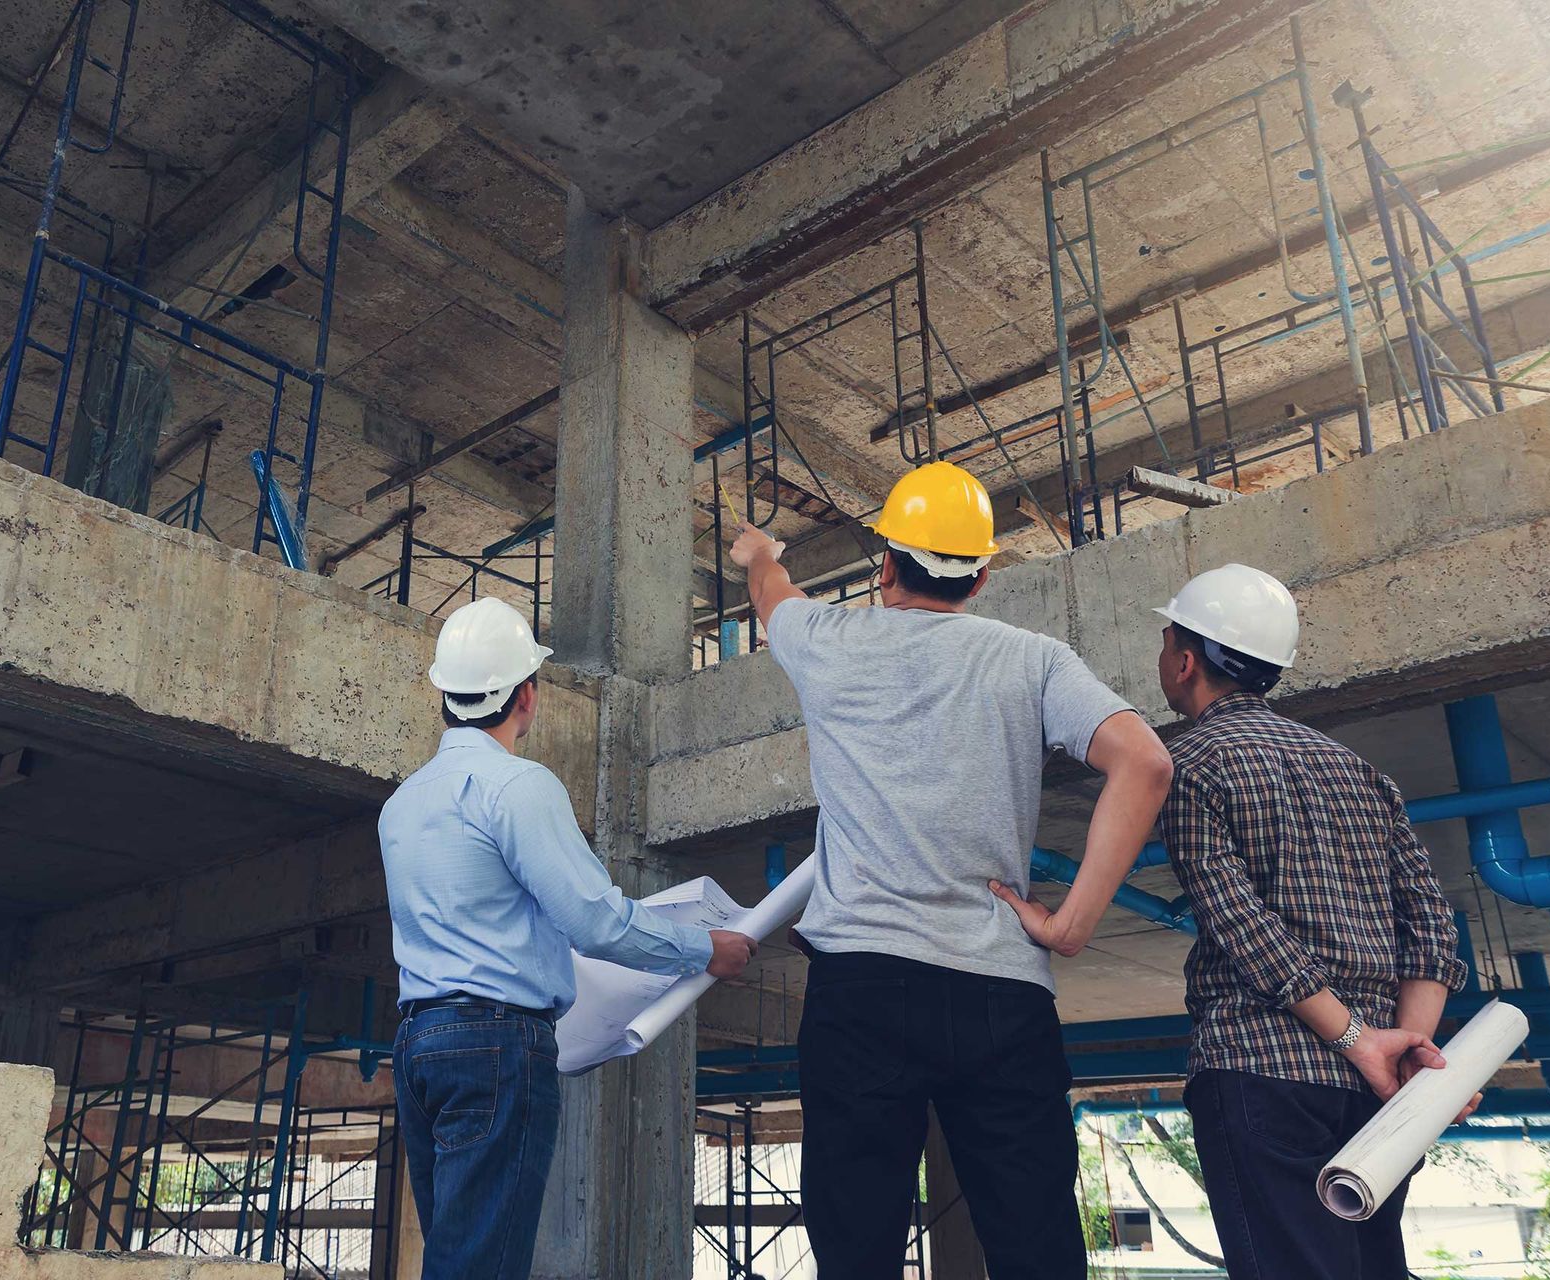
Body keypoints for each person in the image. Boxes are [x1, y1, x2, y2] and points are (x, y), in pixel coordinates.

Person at [730, 460, 1173, 1280]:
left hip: (861, 990)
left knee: (856, 1247)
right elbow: (1144, 764)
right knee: (1037, 1245)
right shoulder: (1035, 659)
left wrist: (759, 551)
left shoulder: (829, 641)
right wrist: (1071, 925)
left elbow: (772, 596)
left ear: (886, 564)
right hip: (1002, 990)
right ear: (981, 574)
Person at [378, 596, 758, 1280]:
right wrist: (706, 949)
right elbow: (595, 922)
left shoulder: (401, 804)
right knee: (482, 1266)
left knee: (456, 1254)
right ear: (527, 694)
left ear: (443, 694)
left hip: (418, 1044)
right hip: (496, 1043)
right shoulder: (519, 788)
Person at [1150, 563, 1470, 1280]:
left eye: (1166, 639)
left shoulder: (1189, 764)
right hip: (1379, 1098)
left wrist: (1360, 1040)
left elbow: (1241, 925)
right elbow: (1431, 924)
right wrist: (1408, 1052)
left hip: (1261, 1071)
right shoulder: (1358, 771)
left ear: (1185, 660)